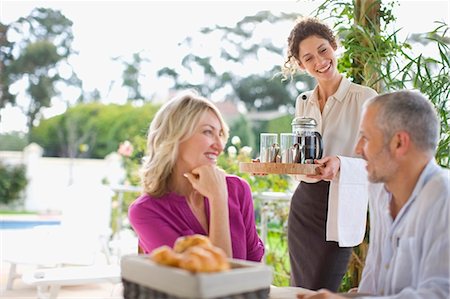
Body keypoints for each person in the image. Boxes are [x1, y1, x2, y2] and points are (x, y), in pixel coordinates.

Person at [298, 90, 449, 299]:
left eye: (365, 138)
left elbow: (439, 294)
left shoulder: (444, 199)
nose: (358, 149)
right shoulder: (381, 191)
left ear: (399, 143)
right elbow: (376, 285)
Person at [282, 17, 378, 291]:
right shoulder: (303, 102)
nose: (320, 61)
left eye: (323, 50)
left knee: (322, 289)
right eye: (309, 58)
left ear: (334, 46)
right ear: (301, 65)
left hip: (342, 204)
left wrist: (341, 164)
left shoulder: (365, 98)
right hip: (305, 204)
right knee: (299, 288)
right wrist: (281, 162)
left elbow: (380, 161)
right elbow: (300, 154)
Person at [128, 91, 264, 262]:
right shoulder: (146, 211)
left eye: (220, 134)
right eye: (208, 132)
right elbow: (213, 279)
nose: (219, 145)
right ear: (175, 137)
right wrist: (218, 198)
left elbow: (255, 268)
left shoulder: (238, 190)